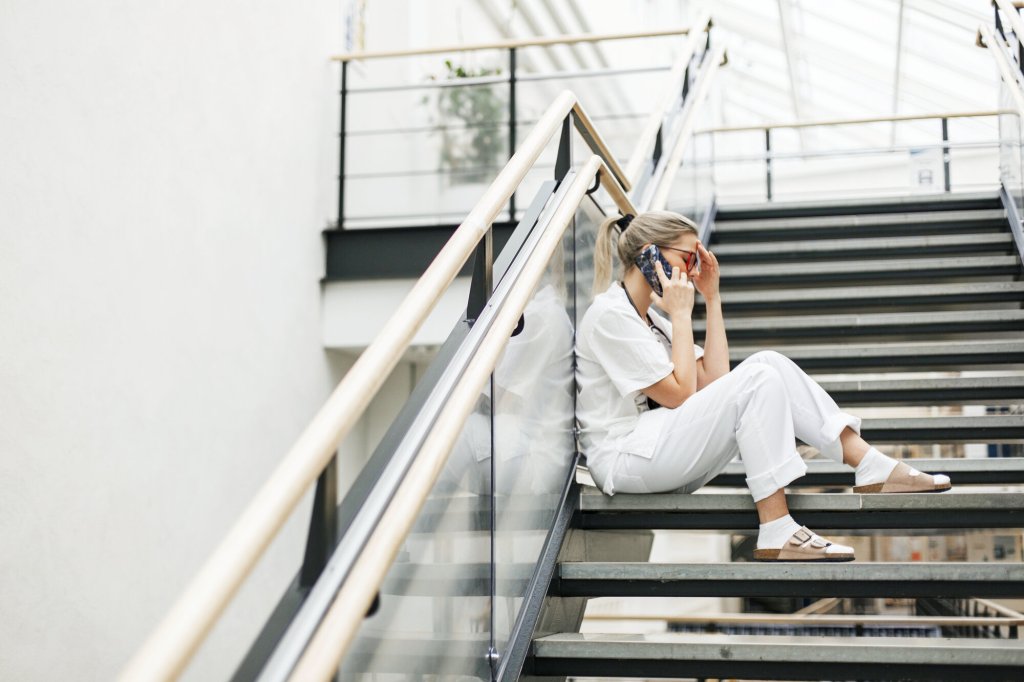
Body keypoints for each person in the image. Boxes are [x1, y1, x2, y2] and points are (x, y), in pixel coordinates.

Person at [575, 210, 951, 561]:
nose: (691, 271)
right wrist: (680, 313)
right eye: (687, 259)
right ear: (649, 254)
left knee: (767, 363)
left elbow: (716, 381)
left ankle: (869, 464)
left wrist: (712, 297)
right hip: (625, 459)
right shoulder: (610, 316)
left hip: (657, 447)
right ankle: (776, 526)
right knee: (757, 377)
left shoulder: (652, 321)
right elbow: (680, 394)